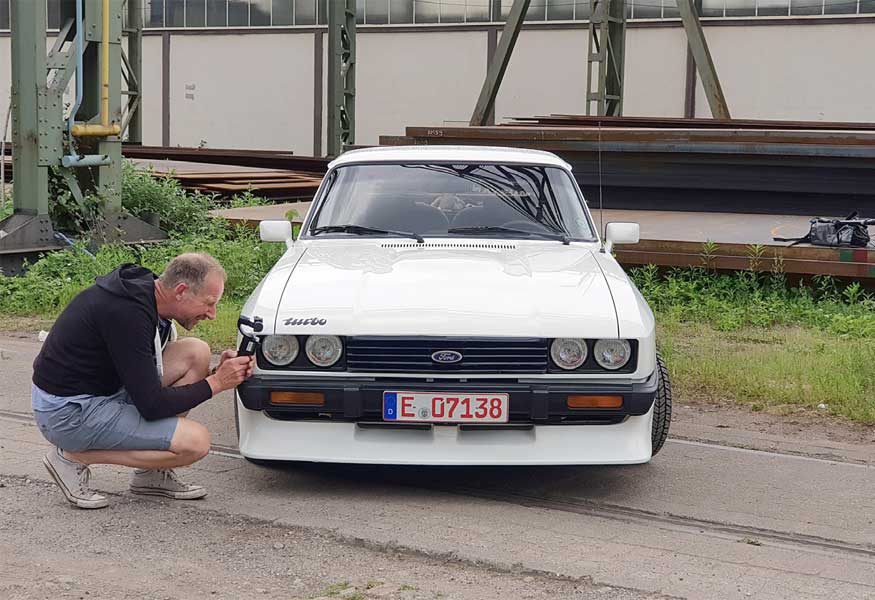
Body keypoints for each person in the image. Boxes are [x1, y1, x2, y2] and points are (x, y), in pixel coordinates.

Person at [31, 253, 254, 509]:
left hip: (101, 391)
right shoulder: (128, 314)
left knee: (196, 352)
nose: (212, 314)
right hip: (68, 413)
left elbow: (146, 384)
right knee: (195, 442)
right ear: (181, 291)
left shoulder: (147, 295)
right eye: (209, 303)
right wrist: (217, 382)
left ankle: (150, 476)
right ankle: (72, 457)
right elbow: (152, 405)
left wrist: (217, 371)